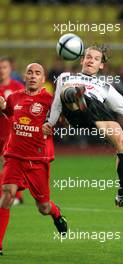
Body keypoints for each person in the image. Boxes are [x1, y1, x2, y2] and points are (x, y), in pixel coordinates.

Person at [43, 45, 123, 214]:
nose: (91, 60)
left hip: (95, 116)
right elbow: (56, 105)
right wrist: (50, 123)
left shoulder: (104, 86)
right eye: (88, 57)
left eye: (96, 59)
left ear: (101, 66)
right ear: (82, 60)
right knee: (69, 92)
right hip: (74, 113)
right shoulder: (66, 76)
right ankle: (79, 97)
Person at [0, 63, 67, 256]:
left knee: (43, 207)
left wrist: (56, 123)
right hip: (14, 156)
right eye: (29, 72)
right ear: (24, 76)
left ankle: (56, 213)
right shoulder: (14, 98)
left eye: (37, 73)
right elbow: (7, 110)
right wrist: (2, 106)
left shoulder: (50, 101)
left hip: (37, 160)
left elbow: (63, 121)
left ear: (43, 78)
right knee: (7, 195)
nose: (33, 76)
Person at [0, 56, 25, 205]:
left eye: (4, 67)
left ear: (10, 69)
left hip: (11, 133)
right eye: (0, 68)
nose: (1, 71)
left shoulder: (17, 87)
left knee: (9, 164)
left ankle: (15, 196)